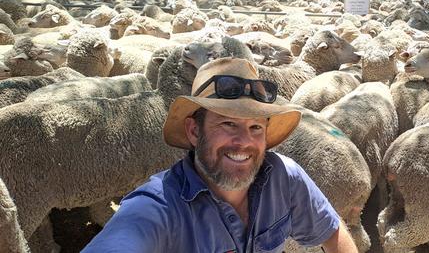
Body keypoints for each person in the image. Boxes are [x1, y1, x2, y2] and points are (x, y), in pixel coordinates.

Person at [81, 58, 357, 252]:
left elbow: (332, 232)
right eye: (228, 124)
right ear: (193, 131)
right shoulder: (158, 207)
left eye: (256, 127)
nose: (244, 142)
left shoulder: (283, 177)